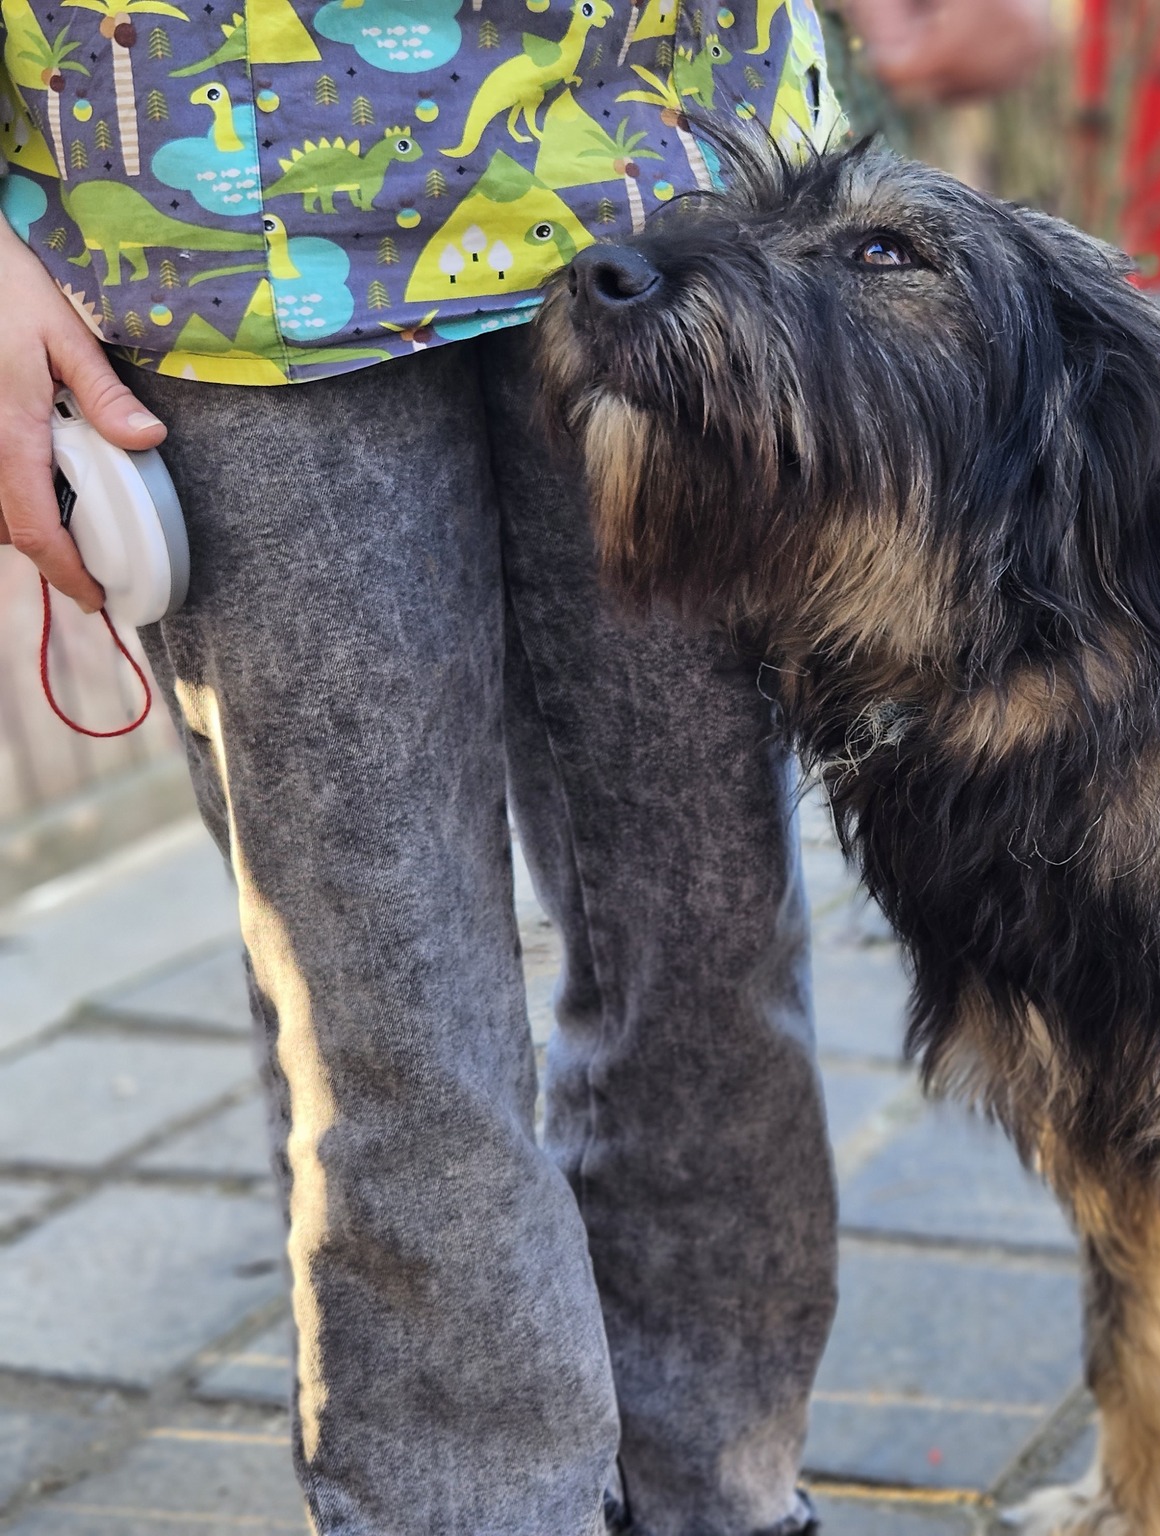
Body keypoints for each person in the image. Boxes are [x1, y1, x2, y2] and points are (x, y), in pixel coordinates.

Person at [0, 0, 1043, 1528]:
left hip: (673, 170)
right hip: (214, 214)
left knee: (709, 960)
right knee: (387, 1013)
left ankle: (715, 1492)